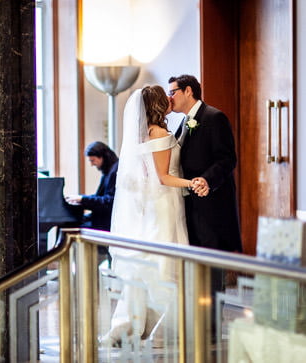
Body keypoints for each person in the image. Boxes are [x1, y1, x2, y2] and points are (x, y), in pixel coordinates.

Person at [103, 85, 205, 347]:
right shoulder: (158, 133)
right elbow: (164, 177)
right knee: (163, 264)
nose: (171, 99)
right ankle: (161, 328)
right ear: (159, 105)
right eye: (166, 97)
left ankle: (132, 325)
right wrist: (192, 183)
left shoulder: (142, 134)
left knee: (151, 264)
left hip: (152, 205)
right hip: (164, 205)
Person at [168, 74, 242, 253]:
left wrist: (207, 180)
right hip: (190, 201)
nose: (169, 98)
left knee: (212, 256)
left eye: (172, 92)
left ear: (188, 91)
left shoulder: (214, 117)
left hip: (211, 204)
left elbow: (227, 158)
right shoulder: (184, 122)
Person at [65, 141, 119, 263]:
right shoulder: (109, 171)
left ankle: (83, 268)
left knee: (74, 230)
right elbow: (100, 198)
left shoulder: (114, 172)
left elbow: (108, 201)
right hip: (104, 219)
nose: (91, 164)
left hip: (107, 223)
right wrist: (81, 200)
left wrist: (82, 199)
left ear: (102, 157)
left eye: (93, 160)